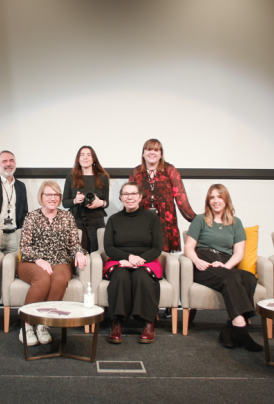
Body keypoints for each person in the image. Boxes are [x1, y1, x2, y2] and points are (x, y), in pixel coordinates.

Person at [183, 184, 262, 352]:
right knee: (231, 278)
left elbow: (239, 252)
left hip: (225, 262)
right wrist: (197, 261)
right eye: (212, 197)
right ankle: (241, 329)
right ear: (208, 201)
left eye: (219, 197)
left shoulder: (236, 222)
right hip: (204, 262)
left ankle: (229, 329)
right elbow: (189, 247)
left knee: (248, 277)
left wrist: (226, 266)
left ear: (226, 200)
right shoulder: (200, 219)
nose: (216, 201)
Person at [17, 180, 88, 346]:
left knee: (60, 280)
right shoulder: (32, 216)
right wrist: (39, 260)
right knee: (42, 280)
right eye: (48, 194)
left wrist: (78, 251)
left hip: (60, 260)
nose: (52, 198)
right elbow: (24, 247)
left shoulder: (67, 216)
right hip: (32, 261)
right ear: (41, 197)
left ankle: (43, 325)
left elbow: (73, 242)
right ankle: (27, 325)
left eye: (56, 194)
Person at [103, 182, 164, 344]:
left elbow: (157, 247)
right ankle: (117, 323)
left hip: (146, 260)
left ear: (140, 196)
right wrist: (128, 258)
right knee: (121, 277)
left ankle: (148, 322)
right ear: (121, 198)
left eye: (133, 194)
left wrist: (139, 260)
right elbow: (109, 247)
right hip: (120, 260)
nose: (130, 197)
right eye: (126, 194)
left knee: (141, 277)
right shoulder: (114, 219)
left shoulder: (152, 218)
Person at [129, 139, 196, 253]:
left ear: (161, 154)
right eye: (149, 149)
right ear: (143, 153)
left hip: (165, 220)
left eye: (156, 150)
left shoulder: (170, 170)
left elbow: (181, 197)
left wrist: (195, 219)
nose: (152, 152)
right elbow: (130, 197)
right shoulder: (136, 172)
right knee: (143, 254)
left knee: (163, 257)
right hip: (142, 219)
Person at [63, 146, 109, 253]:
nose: (85, 158)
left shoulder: (102, 177)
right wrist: (75, 200)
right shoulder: (71, 177)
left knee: (96, 251)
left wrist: (100, 203)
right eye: (82, 155)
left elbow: (106, 202)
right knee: (78, 252)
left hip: (96, 219)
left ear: (93, 159)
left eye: (89, 155)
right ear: (78, 159)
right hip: (77, 219)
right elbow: (65, 203)